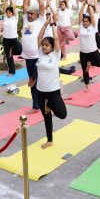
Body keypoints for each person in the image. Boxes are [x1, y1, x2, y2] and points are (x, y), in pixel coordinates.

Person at [36, 14, 67, 149]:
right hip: (40, 91)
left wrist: (53, 24)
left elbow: (55, 39)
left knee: (62, 114)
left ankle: (50, 104)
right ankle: (50, 139)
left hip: (53, 91)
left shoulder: (56, 55)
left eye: (47, 45)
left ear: (52, 47)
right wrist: (45, 24)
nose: (44, 47)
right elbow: (38, 37)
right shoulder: (41, 54)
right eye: (43, 45)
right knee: (46, 116)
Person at [22, 0, 46, 114]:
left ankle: (45, 103)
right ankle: (36, 106)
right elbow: (25, 5)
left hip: (38, 57)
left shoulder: (40, 20)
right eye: (29, 13)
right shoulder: (26, 19)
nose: (29, 15)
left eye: (32, 13)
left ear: (37, 15)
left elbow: (42, 5)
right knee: (33, 83)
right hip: (28, 57)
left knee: (35, 81)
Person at [78, 0, 100, 92]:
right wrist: (84, 4)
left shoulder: (93, 27)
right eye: (84, 21)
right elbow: (80, 14)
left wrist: (89, 5)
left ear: (90, 22)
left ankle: (90, 63)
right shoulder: (81, 26)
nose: (85, 23)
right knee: (84, 70)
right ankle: (87, 86)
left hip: (93, 51)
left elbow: (91, 15)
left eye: (87, 21)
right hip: (83, 52)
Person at [2, 1, 20, 76]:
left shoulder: (15, 18)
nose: (8, 14)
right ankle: (12, 71)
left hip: (14, 39)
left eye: (9, 12)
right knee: (9, 56)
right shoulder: (5, 18)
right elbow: (4, 9)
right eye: (7, 12)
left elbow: (15, 8)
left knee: (19, 50)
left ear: (12, 13)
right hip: (6, 39)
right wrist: (7, 0)